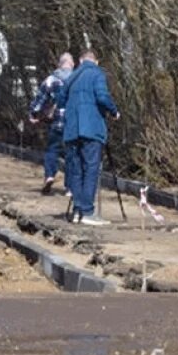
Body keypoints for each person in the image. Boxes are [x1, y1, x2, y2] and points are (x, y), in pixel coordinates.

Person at [57, 49, 120, 226]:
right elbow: (102, 96)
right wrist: (114, 111)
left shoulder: (71, 76)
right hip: (91, 129)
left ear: (80, 60)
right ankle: (87, 211)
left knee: (76, 170)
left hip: (71, 130)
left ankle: (77, 209)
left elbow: (60, 100)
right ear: (96, 61)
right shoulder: (97, 74)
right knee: (91, 169)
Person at [28, 53, 74, 195]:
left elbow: (40, 100)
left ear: (59, 64)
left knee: (52, 150)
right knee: (71, 154)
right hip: (73, 122)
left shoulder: (51, 80)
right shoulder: (76, 79)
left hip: (56, 122)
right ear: (72, 64)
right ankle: (70, 188)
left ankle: (49, 175)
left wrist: (33, 114)